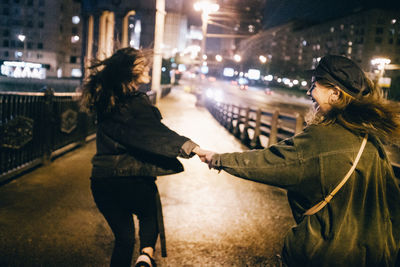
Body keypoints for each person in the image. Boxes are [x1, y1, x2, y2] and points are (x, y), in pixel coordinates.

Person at [202, 55, 400, 266]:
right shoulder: (369, 138)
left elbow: (270, 162)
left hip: (327, 254)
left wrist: (218, 159)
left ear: (335, 93)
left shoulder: (323, 137)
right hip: (376, 255)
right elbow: (392, 202)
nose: (309, 92)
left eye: (314, 85)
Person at [80, 47, 206, 267]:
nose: (147, 67)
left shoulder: (104, 102)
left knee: (124, 239)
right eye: (142, 65)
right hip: (132, 179)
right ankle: (145, 258)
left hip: (101, 181)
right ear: (132, 71)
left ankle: (139, 259)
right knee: (150, 214)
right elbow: (155, 133)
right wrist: (194, 149)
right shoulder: (135, 102)